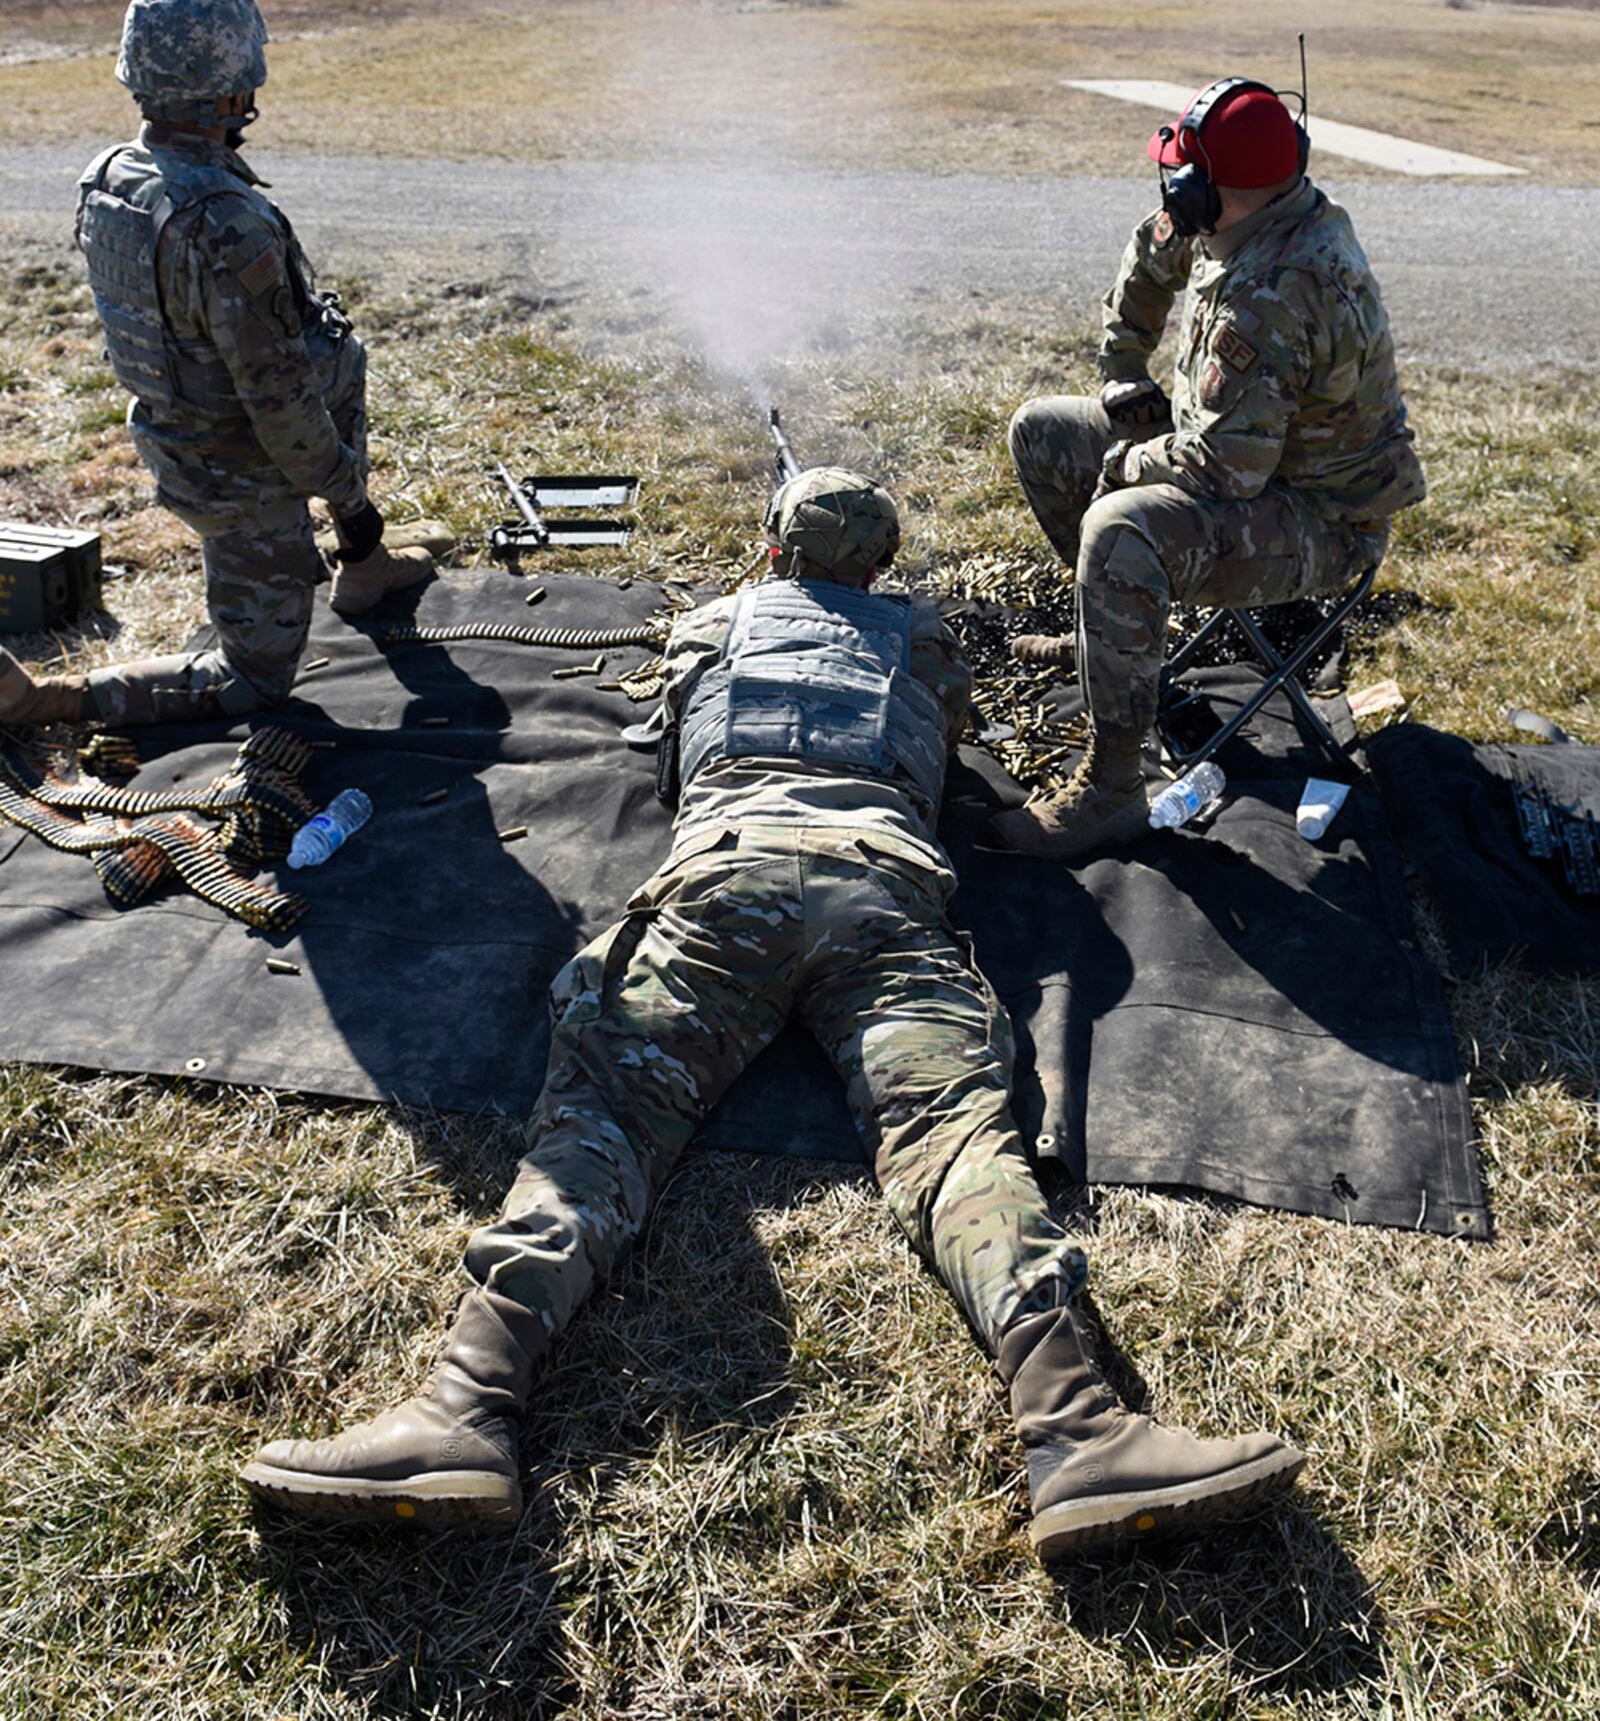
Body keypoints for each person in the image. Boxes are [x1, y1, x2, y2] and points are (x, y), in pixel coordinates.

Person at [240, 467, 1304, 1558]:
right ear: (879, 567)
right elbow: (946, 755)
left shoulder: (711, 624)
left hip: (723, 887)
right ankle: (1076, 1427)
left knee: (601, 1120)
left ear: (769, 552)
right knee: (953, 1143)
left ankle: (460, 1410)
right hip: (879, 891)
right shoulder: (923, 637)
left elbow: (668, 756)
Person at [998, 77, 1426, 859]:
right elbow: (1150, 253)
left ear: (1206, 183)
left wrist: (1129, 460)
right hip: (1246, 457)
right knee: (1044, 434)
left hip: (1322, 518)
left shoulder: (1279, 290)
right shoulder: (1234, 211)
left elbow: (1227, 470)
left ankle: (1114, 786)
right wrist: (1123, 367)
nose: (1171, 186)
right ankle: (1113, 642)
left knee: (1120, 528)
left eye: (1181, 172)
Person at [0, 0, 434, 733]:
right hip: (242, 478)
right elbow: (281, 406)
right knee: (255, 683)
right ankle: (47, 699)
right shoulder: (225, 224)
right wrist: (344, 485)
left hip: (186, 436)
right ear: (236, 84)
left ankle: (364, 565)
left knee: (333, 355)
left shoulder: (111, 179)